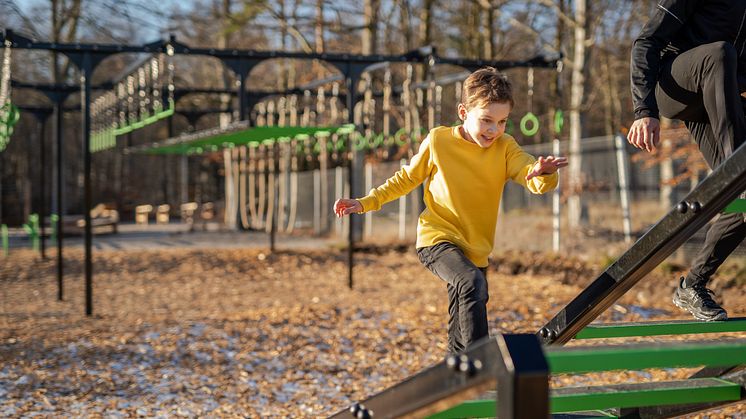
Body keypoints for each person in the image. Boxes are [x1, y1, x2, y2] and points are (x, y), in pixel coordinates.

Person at [333, 67, 568, 355]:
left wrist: (542, 173)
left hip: (475, 248)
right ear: (462, 112)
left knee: (469, 297)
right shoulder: (439, 141)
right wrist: (366, 201)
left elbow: (528, 173)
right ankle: (479, 362)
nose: (494, 130)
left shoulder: (505, 147)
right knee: (471, 282)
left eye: (502, 121)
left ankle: (456, 366)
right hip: (437, 238)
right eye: (486, 120)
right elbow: (406, 178)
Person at [628, 1, 746, 321]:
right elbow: (645, 42)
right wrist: (644, 111)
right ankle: (736, 168)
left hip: (715, 96)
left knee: (742, 199)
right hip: (674, 83)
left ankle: (692, 285)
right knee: (719, 53)